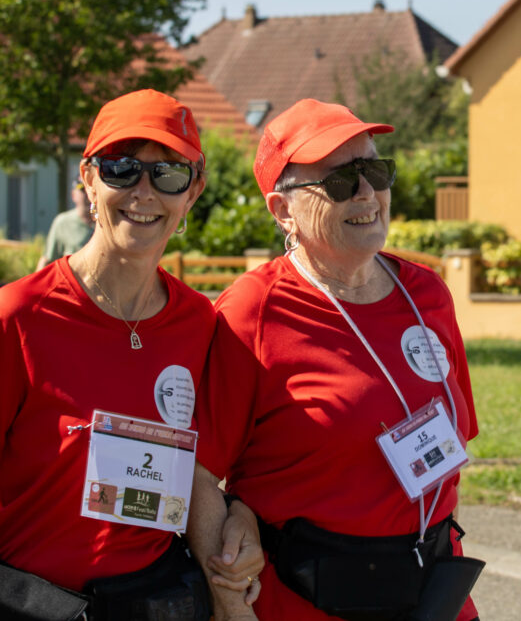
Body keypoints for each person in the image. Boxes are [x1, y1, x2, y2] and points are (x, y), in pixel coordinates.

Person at [191, 98, 484, 620]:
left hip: (434, 595)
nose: (368, 192)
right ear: (283, 210)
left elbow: (450, 459)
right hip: (308, 601)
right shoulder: (252, 311)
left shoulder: (427, 294)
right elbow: (196, 472)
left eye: (374, 169)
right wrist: (232, 601)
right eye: (340, 180)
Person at [0, 89, 263, 620]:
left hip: (154, 600)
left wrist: (243, 522)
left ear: (194, 191)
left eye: (168, 174)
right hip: (31, 603)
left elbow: (198, 471)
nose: (144, 192)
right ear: (88, 179)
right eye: (122, 170)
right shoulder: (17, 317)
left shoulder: (199, 323)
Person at [36, 177, 94, 271]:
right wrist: (36, 284)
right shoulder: (63, 222)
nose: (88, 195)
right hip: (72, 282)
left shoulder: (108, 220)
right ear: (73, 195)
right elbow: (47, 259)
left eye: (91, 190)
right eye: (83, 190)